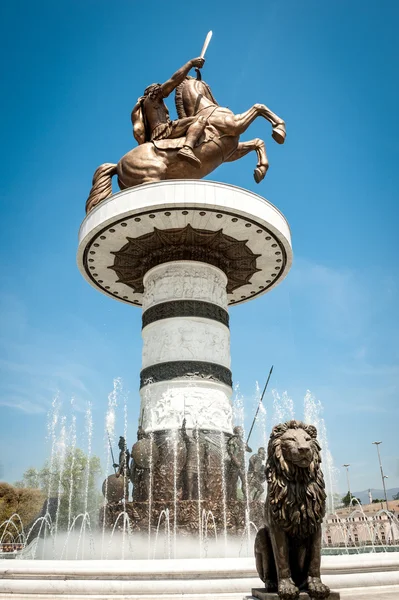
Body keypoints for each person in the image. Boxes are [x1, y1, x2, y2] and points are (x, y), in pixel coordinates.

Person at [131, 56, 207, 167]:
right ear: (151, 91)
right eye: (157, 87)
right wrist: (190, 63)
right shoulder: (152, 98)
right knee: (200, 120)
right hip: (163, 131)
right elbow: (173, 81)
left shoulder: (150, 104)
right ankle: (187, 148)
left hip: (161, 131)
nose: (160, 87)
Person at [226, 426, 252, 501]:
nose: (243, 432)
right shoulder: (232, 440)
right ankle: (230, 497)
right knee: (233, 482)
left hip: (242, 465)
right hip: (234, 465)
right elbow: (230, 452)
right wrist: (236, 461)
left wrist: (247, 446)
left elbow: (250, 450)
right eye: (241, 431)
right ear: (237, 432)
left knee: (244, 481)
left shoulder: (242, 442)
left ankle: (247, 497)